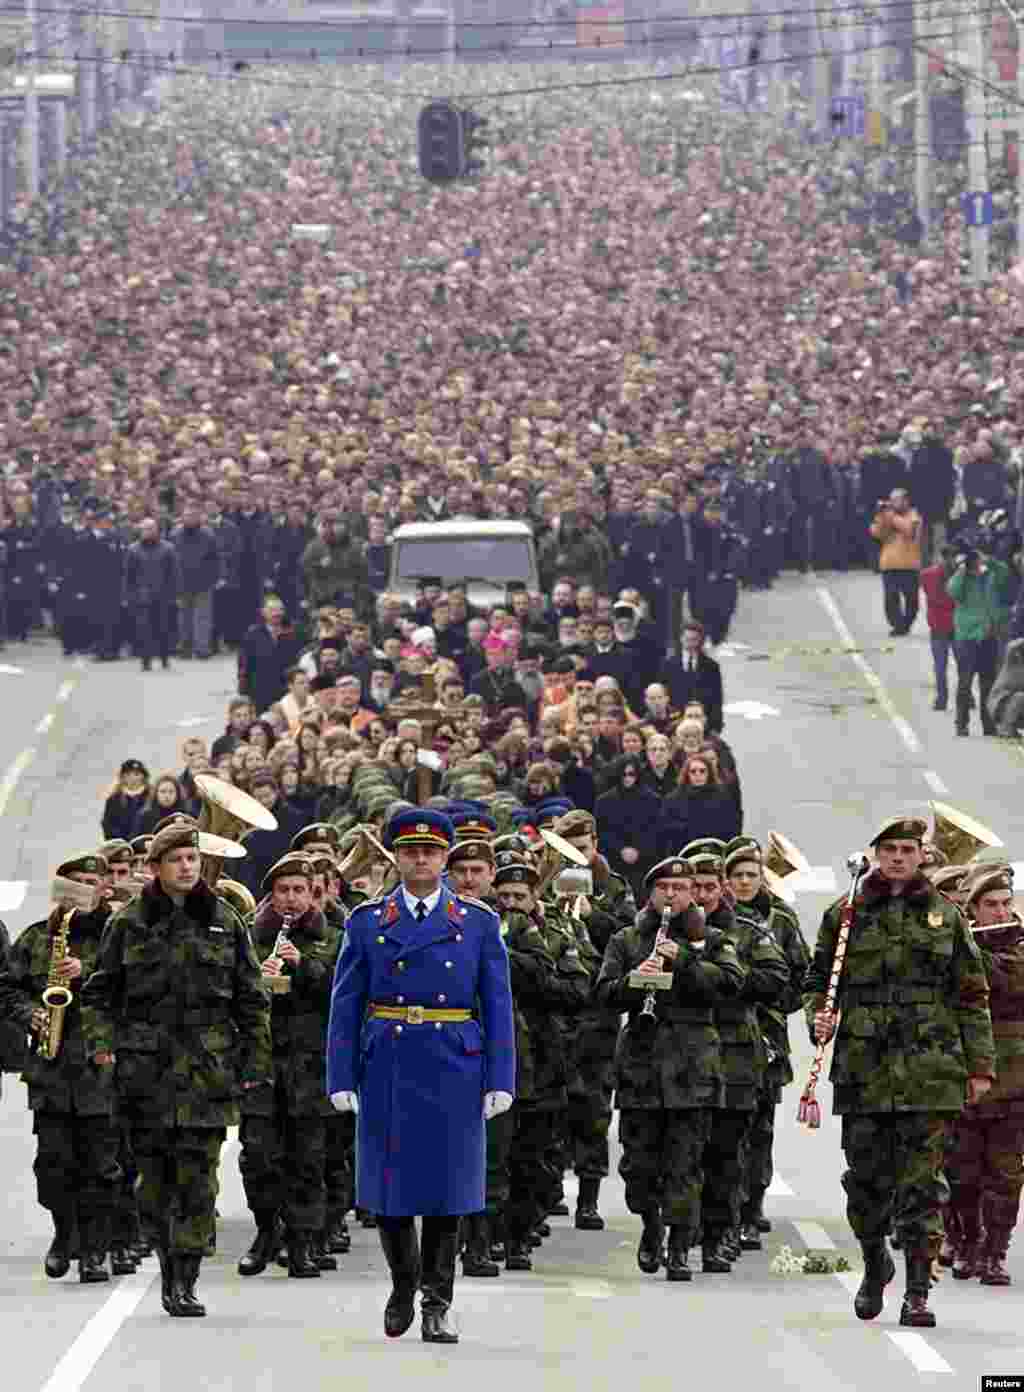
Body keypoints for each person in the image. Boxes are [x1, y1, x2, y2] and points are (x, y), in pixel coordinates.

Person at [326, 808, 516, 1343]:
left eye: (430, 852)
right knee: (389, 1190)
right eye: (410, 851)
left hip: (454, 1061)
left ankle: (437, 1301)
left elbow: (497, 1005)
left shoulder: (477, 921)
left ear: (444, 858)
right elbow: (345, 1004)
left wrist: (501, 1078)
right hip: (388, 1060)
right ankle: (403, 1283)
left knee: (447, 1192)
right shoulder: (368, 921)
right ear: (396, 857)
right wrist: (340, 1075)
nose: (421, 860)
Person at [803, 815, 996, 1329]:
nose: (897, 858)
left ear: (921, 856)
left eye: (907, 850)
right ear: (875, 855)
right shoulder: (846, 914)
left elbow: (972, 994)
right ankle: (875, 1263)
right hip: (864, 1068)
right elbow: (818, 979)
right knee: (865, 1183)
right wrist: (819, 1015)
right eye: (888, 849)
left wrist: (980, 1066)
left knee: (921, 1187)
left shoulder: (945, 915)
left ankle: (917, 1292)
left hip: (931, 1069)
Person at [80, 824, 272, 1318]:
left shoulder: (225, 920)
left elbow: (252, 998)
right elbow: (99, 994)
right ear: (155, 868)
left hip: (208, 1071)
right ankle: (167, 1261)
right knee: (154, 1182)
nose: (186, 867)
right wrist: (103, 1047)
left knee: (198, 1179)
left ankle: (185, 1277)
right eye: (176, 859)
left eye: (192, 858)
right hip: (145, 1073)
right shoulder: (129, 922)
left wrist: (255, 1061)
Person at [593, 856, 743, 1281]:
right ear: (652, 894)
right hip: (641, 1065)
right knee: (638, 1166)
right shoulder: (626, 939)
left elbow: (731, 984)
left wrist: (686, 961)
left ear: (692, 894)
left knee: (685, 1163)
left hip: (692, 1067)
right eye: (664, 888)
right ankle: (650, 1224)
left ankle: (679, 1246)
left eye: (680, 889)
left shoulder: (712, 938)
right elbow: (602, 994)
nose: (672, 895)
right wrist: (634, 980)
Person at [0, 856, 121, 1283]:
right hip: (51, 1068)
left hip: (101, 1066)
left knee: (99, 1165)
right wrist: (29, 1013)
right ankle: (64, 1233)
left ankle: (95, 1249)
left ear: (105, 888)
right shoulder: (37, 937)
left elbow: (141, 987)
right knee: (53, 1164)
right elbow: (6, 987)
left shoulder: (120, 936)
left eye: (92, 881)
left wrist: (88, 972)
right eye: (76, 882)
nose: (84, 889)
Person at [238, 853, 340, 1280]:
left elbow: (343, 991)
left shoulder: (332, 937)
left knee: (307, 1160)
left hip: (309, 1065)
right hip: (261, 1063)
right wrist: (256, 981)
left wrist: (304, 966)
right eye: (283, 891)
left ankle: (302, 1243)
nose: (292, 899)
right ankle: (266, 1231)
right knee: (258, 1157)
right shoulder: (249, 938)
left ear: (313, 894)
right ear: (271, 896)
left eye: (300, 890)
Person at [944, 866, 1024, 1285]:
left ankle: (995, 1252)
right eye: (990, 905)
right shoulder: (958, 943)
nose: (1000, 912)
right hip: (963, 1076)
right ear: (973, 909)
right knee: (961, 1171)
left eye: (1005, 903)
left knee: (1005, 1174)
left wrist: (961, 949)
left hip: (1013, 1082)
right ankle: (966, 1243)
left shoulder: (1019, 946)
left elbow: (1005, 978)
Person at [947, 543, 1012, 737]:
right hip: (967, 638)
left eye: (976, 560)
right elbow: (952, 591)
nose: (975, 564)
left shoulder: (990, 575)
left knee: (988, 684)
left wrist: (988, 561)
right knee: (965, 683)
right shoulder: (961, 579)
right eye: (972, 561)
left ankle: (988, 724)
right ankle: (961, 723)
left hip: (988, 636)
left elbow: (1005, 573)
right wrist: (962, 570)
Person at [123, 517, 180, 670]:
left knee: (163, 629)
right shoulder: (133, 550)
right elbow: (128, 576)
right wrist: (128, 596)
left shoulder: (168, 548)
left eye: (151, 528)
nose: (147, 532)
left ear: (157, 530)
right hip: (142, 597)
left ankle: (164, 658)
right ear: (140, 531)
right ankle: (145, 660)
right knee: (144, 630)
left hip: (163, 595)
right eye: (145, 529)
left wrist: (174, 594)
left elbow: (174, 574)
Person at [869, 488, 923, 636]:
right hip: (889, 564)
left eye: (896, 500)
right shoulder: (887, 515)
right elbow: (876, 533)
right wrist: (881, 517)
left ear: (906, 501)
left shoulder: (914, 515)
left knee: (912, 600)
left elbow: (909, 531)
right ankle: (897, 625)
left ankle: (906, 624)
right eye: (891, 500)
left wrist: (891, 516)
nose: (892, 503)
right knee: (891, 598)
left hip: (909, 564)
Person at [658, 622, 724, 733]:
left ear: (700, 641)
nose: (690, 643)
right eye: (687, 639)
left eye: (694, 639)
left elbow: (717, 698)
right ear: (681, 639)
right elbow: (663, 695)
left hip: (703, 724)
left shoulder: (711, 666)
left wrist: (716, 726)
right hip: (675, 724)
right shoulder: (668, 664)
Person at [919, 544, 958, 711]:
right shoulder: (961, 574)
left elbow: (929, 591)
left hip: (938, 624)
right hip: (956, 624)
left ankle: (942, 699)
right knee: (963, 663)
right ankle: (966, 695)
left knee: (940, 665)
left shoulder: (927, 575)